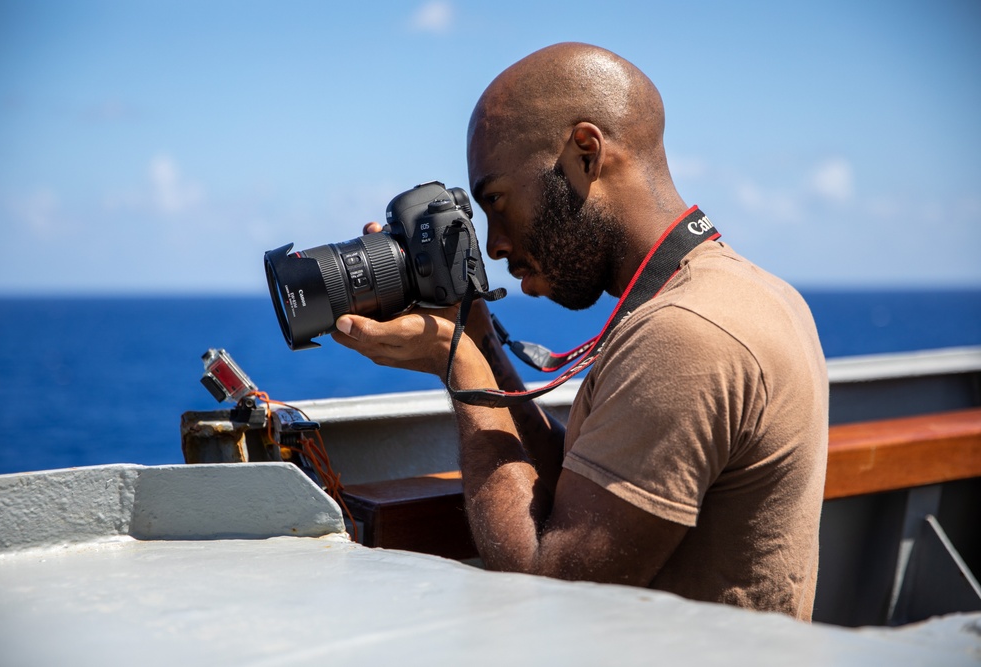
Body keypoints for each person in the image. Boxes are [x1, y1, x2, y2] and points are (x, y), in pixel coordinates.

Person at [332, 43, 829, 620]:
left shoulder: (687, 336)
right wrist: (480, 339)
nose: (493, 244)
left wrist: (457, 364)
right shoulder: (751, 293)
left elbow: (549, 593)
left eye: (496, 199)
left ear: (585, 154)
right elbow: (576, 484)